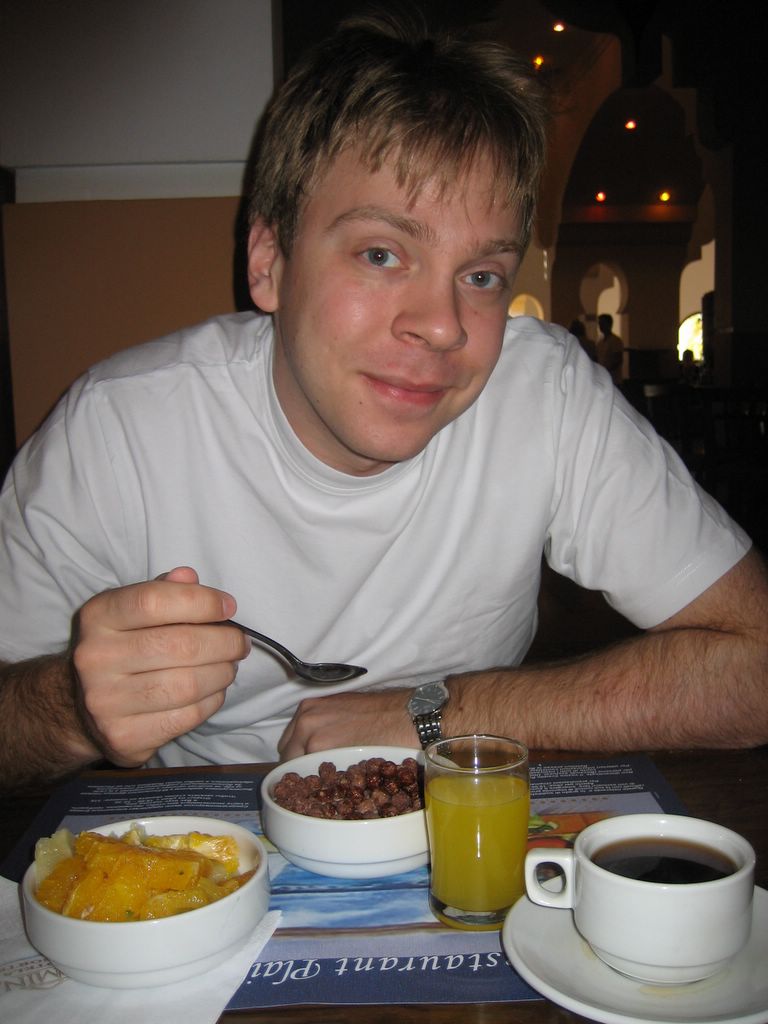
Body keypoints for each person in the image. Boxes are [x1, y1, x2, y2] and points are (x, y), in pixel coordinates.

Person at [1, 11, 767, 791]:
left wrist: (444, 713)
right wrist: (71, 707)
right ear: (269, 261)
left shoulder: (545, 394)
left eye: (481, 276)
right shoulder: (119, 430)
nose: (442, 325)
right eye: (381, 254)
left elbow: (757, 666)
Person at [596, 313, 624, 386]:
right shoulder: (600, 342)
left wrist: (607, 370)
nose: (600, 326)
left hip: (614, 379)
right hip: (602, 378)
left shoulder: (616, 341)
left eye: (602, 323)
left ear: (609, 324)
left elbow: (618, 359)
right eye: (599, 323)